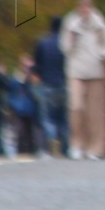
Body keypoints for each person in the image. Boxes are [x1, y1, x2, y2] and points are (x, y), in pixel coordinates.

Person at [61, 0, 105, 160]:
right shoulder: (70, 23)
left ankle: (96, 148)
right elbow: (64, 47)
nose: (84, 10)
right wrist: (72, 39)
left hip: (96, 72)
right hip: (76, 71)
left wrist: (101, 54)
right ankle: (77, 144)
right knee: (76, 107)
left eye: (87, 7)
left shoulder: (99, 23)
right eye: (81, 7)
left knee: (96, 112)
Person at [32, 16, 70, 159]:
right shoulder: (66, 45)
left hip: (47, 84)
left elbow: (37, 65)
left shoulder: (42, 43)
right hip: (64, 84)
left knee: (48, 118)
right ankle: (64, 147)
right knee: (63, 119)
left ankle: (52, 142)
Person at [7, 53, 42, 159]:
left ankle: (32, 151)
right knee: (21, 133)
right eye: (25, 66)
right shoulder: (17, 79)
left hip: (32, 109)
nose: (27, 69)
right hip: (20, 109)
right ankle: (21, 153)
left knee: (32, 132)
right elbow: (12, 93)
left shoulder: (34, 79)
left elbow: (38, 93)